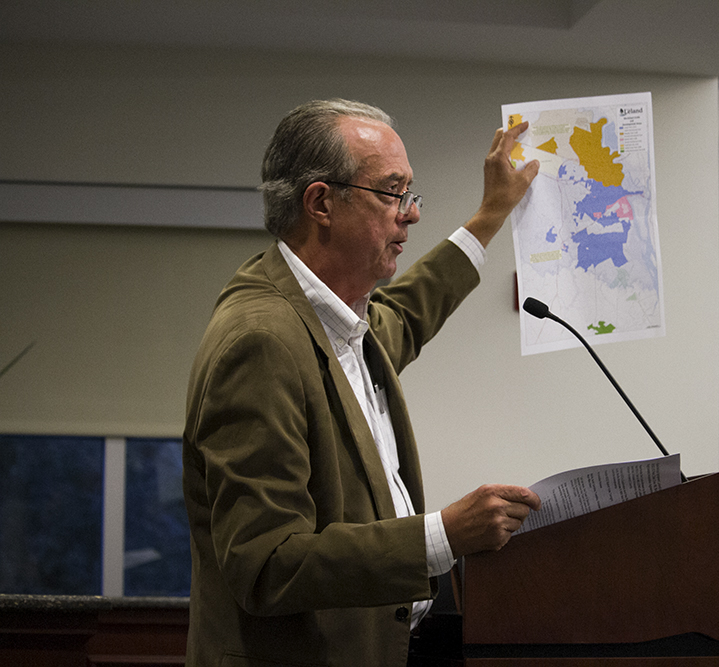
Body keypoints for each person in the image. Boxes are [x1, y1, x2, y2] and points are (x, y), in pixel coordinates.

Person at [182, 99, 541, 666]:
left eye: (409, 193)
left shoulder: (341, 319)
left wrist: (490, 215)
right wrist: (442, 536)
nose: (411, 213)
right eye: (392, 192)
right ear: (322, 202)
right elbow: (266, 564)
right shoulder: (263, 341)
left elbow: (411, 312)